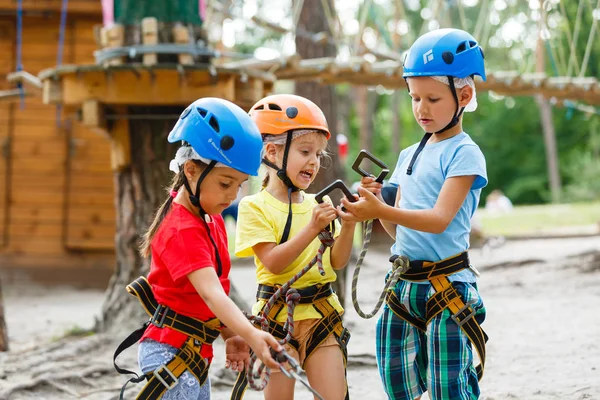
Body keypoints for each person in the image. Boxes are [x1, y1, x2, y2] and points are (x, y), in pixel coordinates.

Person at [340, 29, 489, 400]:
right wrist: (378, 210)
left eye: (432, 99)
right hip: (403, 284)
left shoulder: (464, 154)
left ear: (464, 95)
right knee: (397, 380)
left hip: (447, 284)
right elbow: (400, 230)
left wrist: (383, 208)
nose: (421, 108)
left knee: (447, 386)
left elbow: (439, 220)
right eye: (414, 97)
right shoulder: (408, 155)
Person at [117, 98, 282, 400]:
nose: (232, 195)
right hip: (170, 353)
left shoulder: (210, 217)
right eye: (225, 183)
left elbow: (214, 289)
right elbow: (211, 293)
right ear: (191, 170)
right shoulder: (182, 229)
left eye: (240, 185)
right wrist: (251, 334)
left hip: (193, 351)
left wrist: (229, 334)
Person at [234, 94, 355, 400]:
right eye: (305, 151)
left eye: (318, 155)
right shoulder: (254, 206)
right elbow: (273, 263)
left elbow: (337, 262)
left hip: (322, 315)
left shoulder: (320, 203)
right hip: (275, 320)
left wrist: (351, 224)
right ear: (271, 152)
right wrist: (313, 228)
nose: (314, 162)